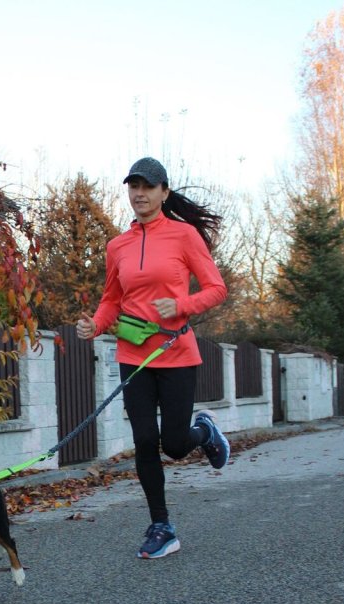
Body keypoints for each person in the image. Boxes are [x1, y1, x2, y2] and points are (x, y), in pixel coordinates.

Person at [76, 157, 230, 559]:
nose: (140, 194)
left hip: (175, 352)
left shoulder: (184, 236)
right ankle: (161, 525)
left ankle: (205, 433)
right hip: (134, 355)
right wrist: (96, 324)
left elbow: (216, 288)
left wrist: (181, 305)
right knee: (145, 440)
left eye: (148, 187)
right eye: (134, 187)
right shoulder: (117, 246)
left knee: (175, 445)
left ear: (164, 192)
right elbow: (112, 299)